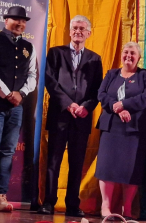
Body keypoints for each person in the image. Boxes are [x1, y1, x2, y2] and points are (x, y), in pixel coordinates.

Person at [37, 15, 103, 217]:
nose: (78, 32)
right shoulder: (56, 53)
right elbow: (50, 82)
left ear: (89, 33)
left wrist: (85, 107)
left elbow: (97, 90)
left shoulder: (95, 58)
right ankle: (48, 202)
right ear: (69, 31)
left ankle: (73, 204)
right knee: (54, 162)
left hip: (82, 118)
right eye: (75, 28)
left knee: (77, 163)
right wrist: (69, 104)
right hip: (60, 116)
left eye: (82, 29)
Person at [0, 6, 37, 212]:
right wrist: (7, 93)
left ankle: (0, 196)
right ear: (6, 20)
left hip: (16, 107)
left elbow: (32, 75)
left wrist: (21, 93)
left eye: (23, 21)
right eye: (16, 19)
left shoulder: (29, 46)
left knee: (8, 151)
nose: (20, 23)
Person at [95, 42, 146, 220]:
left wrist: (126, 104)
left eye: (133, 53)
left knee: (131, 168)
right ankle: (105, 207)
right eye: (126, 52)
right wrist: (117, 107)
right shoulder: (111, 74)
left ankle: (126, 208)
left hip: (135, 128)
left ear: (139, 57)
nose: (128, 56)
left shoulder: (145, 75)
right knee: (107, 166)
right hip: (112, 126)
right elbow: (101, 94)